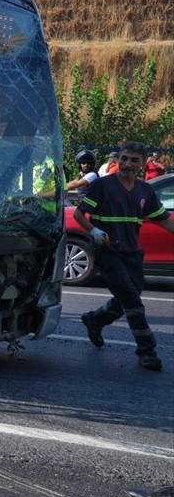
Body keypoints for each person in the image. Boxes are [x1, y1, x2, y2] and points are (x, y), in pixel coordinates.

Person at [75, 140, 174, 371]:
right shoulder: (102, 185)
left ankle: (94, 320)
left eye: (134, 160)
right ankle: (147, 351)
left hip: (132, 253)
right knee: (132, 302)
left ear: (143, 163)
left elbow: (164, 220)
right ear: (118, 159)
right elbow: (80, 214)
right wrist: (95, 231)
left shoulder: (145, 190)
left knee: (127, 298)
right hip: (108, 253)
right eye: (124, 158)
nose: (127, 164)